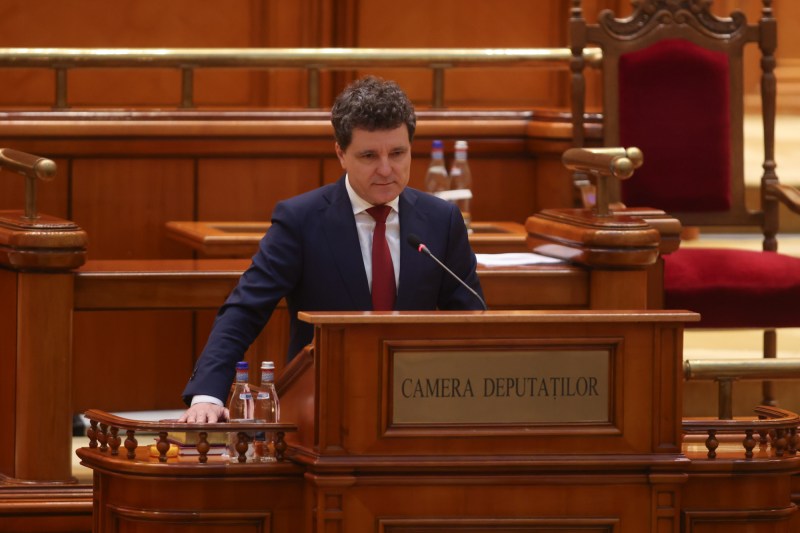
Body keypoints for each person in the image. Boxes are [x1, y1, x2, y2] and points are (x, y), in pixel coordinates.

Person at [179, 76, 484, 423]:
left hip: (417, 405)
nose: (386, 169)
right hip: (323, 407)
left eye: (398, 153)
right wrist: (208, 394)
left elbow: (471, 320)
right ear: (341, 153)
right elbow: (245, 309)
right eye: (369, 155)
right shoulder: (301, 220)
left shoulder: (442, 220)